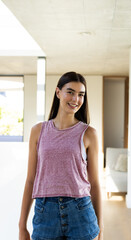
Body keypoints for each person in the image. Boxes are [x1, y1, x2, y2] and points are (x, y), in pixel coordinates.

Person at [19, 71, 104, 240]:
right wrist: (22, 226)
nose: (75, 99)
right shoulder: (38, 131)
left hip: (81, 213)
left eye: (81, 95)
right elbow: (30, 179)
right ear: (58, 92)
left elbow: (94, 183)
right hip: (45, 214)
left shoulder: (89, 134)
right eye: (70, 92)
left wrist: (101, 229)